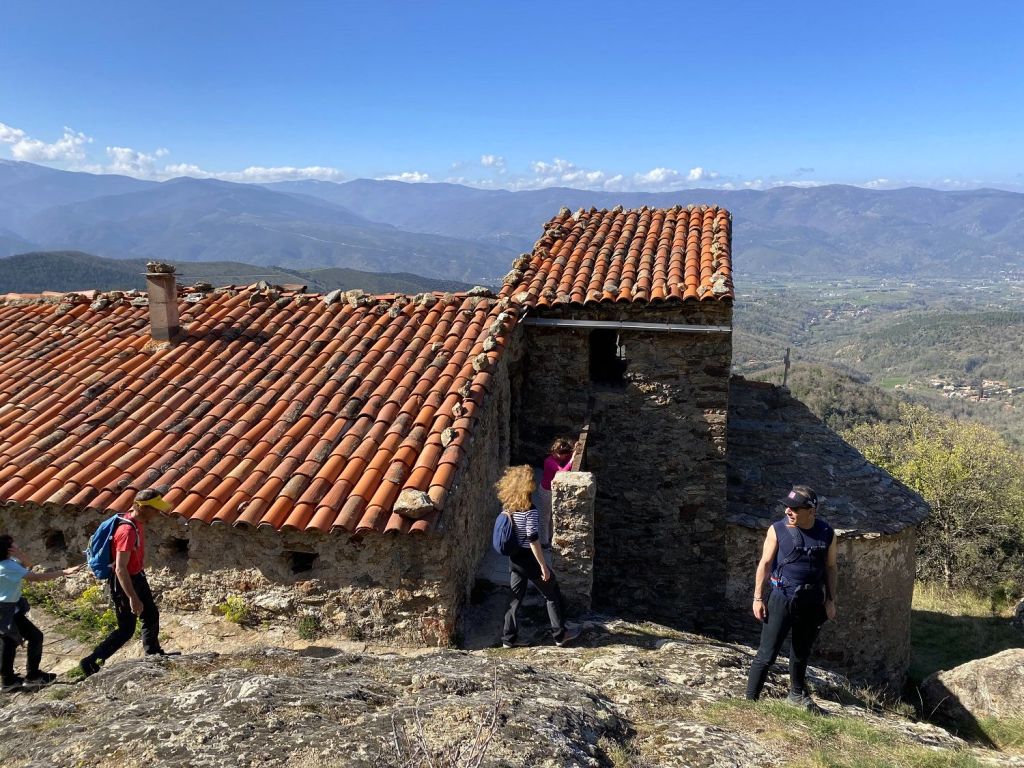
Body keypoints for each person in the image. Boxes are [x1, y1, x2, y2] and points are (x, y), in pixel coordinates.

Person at [745, 485, 837, 712]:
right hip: (782, 598)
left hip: (813, 601)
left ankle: (796, 694)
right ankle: (749, 702)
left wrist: (830, 600)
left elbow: (831, 567)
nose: (788, 510)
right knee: (767, 654)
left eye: (794, 507)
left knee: (801, 652)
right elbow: (765, 564)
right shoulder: (777, 530)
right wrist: (758, 598)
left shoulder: (827, 533)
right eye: (787, 506)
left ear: (811, 510)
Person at [79, 488, 177, 676]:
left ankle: (154, 654)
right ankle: (91, 662)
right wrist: (132, 597)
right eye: (155, 509)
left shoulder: (136, 521)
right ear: (140, 507)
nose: (158, 513)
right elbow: (120, 568)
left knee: (151, 615)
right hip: (124, 581)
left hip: (137, 576)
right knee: (126, 629)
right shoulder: (126, 531)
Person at [496, 465, 579, 649]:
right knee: (551, 593)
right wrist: (542, 566)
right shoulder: (530, 510)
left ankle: (508, 639)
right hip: (528, 559)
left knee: (514, 598)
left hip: (514, 559)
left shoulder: (508, 506)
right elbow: (533, 540)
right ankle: (560, 635)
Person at [0, 534, 80, 692]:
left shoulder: (10, 563)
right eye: (14, 544)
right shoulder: (8, 566)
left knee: (11, 641)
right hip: (5, 609)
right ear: (8, 549)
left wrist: (21, 555)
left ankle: (10, 679)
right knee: (26, 638)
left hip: (9, 607)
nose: (17, 544)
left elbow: (29, 566)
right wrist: (64, 572)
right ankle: (29, 676)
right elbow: (35, 577)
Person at [538, 438, 575, 550]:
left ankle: (549, 537)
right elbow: (562, 472)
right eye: (563, 455)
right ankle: (544, 542)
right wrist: (571, 460)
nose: (565, 457)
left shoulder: (556, 457)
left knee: (550, 516)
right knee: (545, 516)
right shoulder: (549, 462)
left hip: (550, 490)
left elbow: (567, 455)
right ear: (556, 453)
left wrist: (573, 451)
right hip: (546, 491)